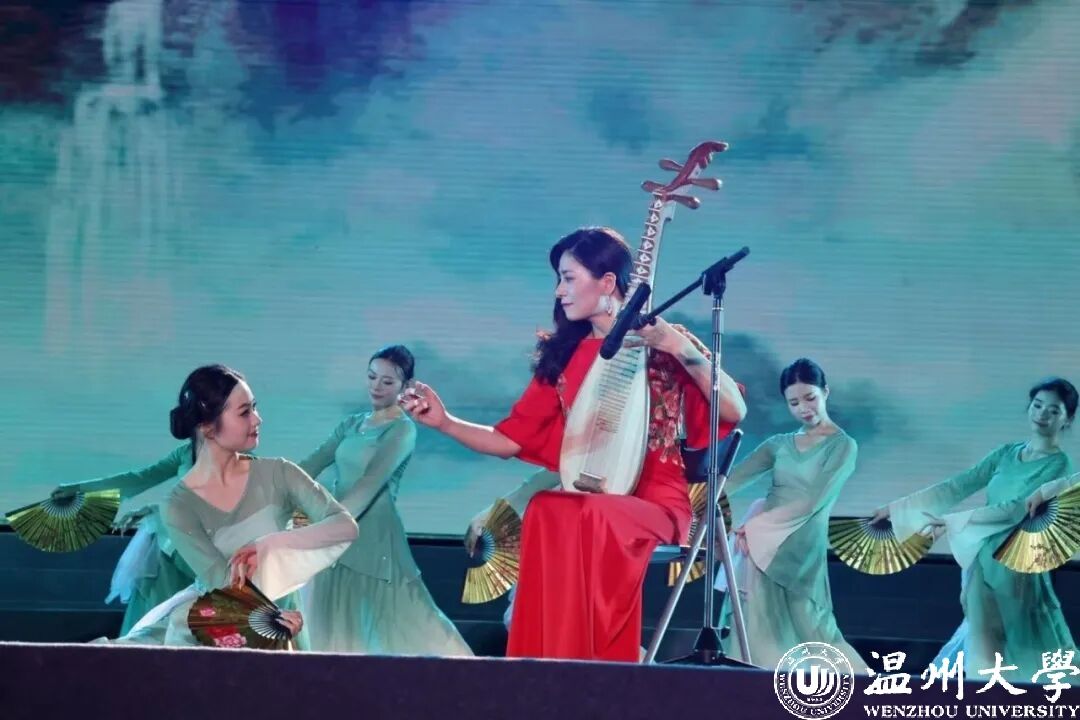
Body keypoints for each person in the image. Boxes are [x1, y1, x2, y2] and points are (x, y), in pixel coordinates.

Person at [400, 226, 746, 662]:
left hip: (655, 504)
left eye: (568, 278)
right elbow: (509, 439)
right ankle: (548, 665)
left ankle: (605, 666)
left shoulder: (663, 340)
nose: (558, 291)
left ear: (607, 282)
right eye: (559, 279)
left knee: (588, 513)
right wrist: (445, 422)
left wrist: (678, 346)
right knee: (546, 507)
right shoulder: (565, 355)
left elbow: (733, 409)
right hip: (592, 500)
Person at [109, 364, 358, 648]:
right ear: (207, 426)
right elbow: (222, 584)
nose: (258, 419)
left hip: (279, 618)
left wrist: (268, 544)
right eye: (244, 412)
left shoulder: (280, 473)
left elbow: (345, 526)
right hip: (223, 625)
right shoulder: (178, 505)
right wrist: (269, 618)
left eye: (254, 408)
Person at [873, 377, 1078, 681]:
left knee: (1021, 647)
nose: (1042, 414)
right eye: (1037, 405)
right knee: (984, 647)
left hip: (1017, 563)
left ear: (1067, 419)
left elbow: (1016, 509)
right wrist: (898, 509)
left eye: (1053, 410)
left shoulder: (1059, 466)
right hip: (984, 558)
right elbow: (959, 485)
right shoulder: (1007, 453)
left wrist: (951, 521)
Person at [298, 345, 472, 655]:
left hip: (373, 534)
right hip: (336, 528)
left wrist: (330, 525)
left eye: (387, 381)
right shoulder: (352, 424)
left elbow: (370, 482)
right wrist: (276, 488)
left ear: (406, 386)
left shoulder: (401, 429)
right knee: (330, 624)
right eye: (372, 377)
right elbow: (310, 465)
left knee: (403, 623)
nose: (376, 386)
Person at [715, 358, 865, 670]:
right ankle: (753, 689)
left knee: (813, 623)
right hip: (758, 542)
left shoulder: (843, 446)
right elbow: (731, 480)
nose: (803, 409)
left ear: (825, 392)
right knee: (755, 618)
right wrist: (697, 490)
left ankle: (856, 690)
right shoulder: (779, 444)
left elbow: (814, 500)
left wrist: (756, 527)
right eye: (794, 403)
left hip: (800, 542)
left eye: (810, 398)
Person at [50, 444, 195, 634]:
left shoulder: (233, 453)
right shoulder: (186, 452)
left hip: (216, 540)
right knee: (161, 597)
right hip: (177, 538)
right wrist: (79, 488)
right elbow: (141, 478)